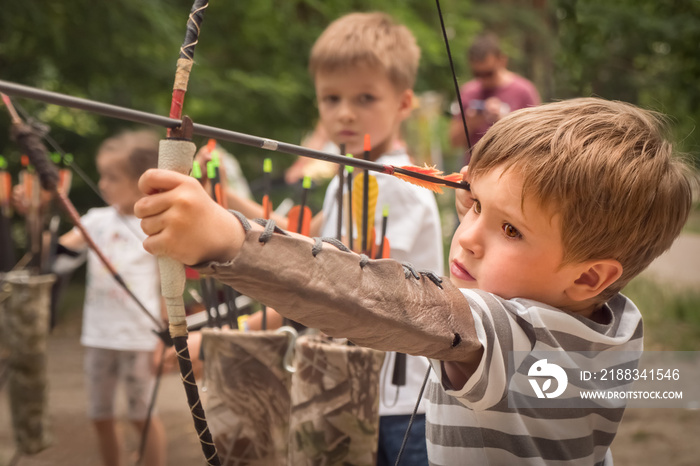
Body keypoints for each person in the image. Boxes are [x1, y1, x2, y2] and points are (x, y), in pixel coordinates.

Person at [135, 97, 694, 464]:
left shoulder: (515, 331)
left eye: (510, 230)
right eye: (471, 205)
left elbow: (393, 303)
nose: (470, 236)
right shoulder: (614, 320)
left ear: (591, 274)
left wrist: (227, 241)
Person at [196, 12, 440, 464]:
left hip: (402, 401)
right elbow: (311, 243)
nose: (345, 112)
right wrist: (227, 212)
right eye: (331, 98)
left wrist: (241, 333)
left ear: (404, 103)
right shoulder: (346, 176)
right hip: (360, 382)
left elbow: (339, 284)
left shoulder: (399, 186)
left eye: (366, 97)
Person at [59, 130, 167, 466]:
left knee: (142, 417)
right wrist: (51, 199)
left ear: (142, 182)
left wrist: (164, 339)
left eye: (112, 177)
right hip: (99, 337)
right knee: (100, 416)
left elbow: (167, 288)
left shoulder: (156, 225)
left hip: (139, 340)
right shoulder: (95, 221)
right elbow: (58, 259)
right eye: (101, 175)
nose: (103, 183)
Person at [449, 32, 540, 161]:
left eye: (489, 73)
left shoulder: (524, 91)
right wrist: (472, 121)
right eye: (477, 73)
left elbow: (537, 140)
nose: (483, 79)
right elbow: (454, 142)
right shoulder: (467, 92)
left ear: (502, 60)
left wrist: (504, 120)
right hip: (474, 172)